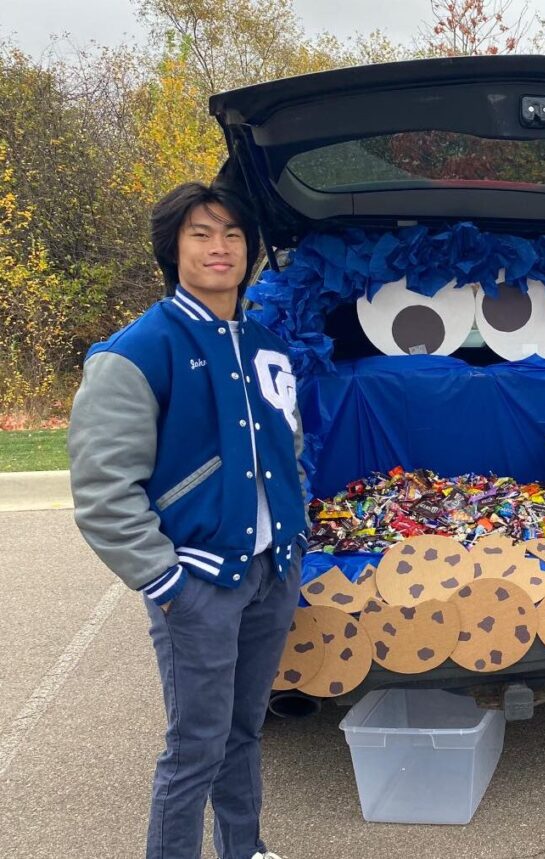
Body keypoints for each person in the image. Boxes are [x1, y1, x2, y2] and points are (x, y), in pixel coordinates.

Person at [68, 182, 308, 859]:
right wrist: (164, 580)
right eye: (201, 233)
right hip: (198, 584)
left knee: (243, 732)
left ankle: (246, 848)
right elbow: (103, 490)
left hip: (270, 572)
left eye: (233, 234)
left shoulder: (265, 343)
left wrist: (293, 536)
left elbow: (287, 446)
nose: (220, 247)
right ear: (173, 248)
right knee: (194, 747)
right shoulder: (138, 349)